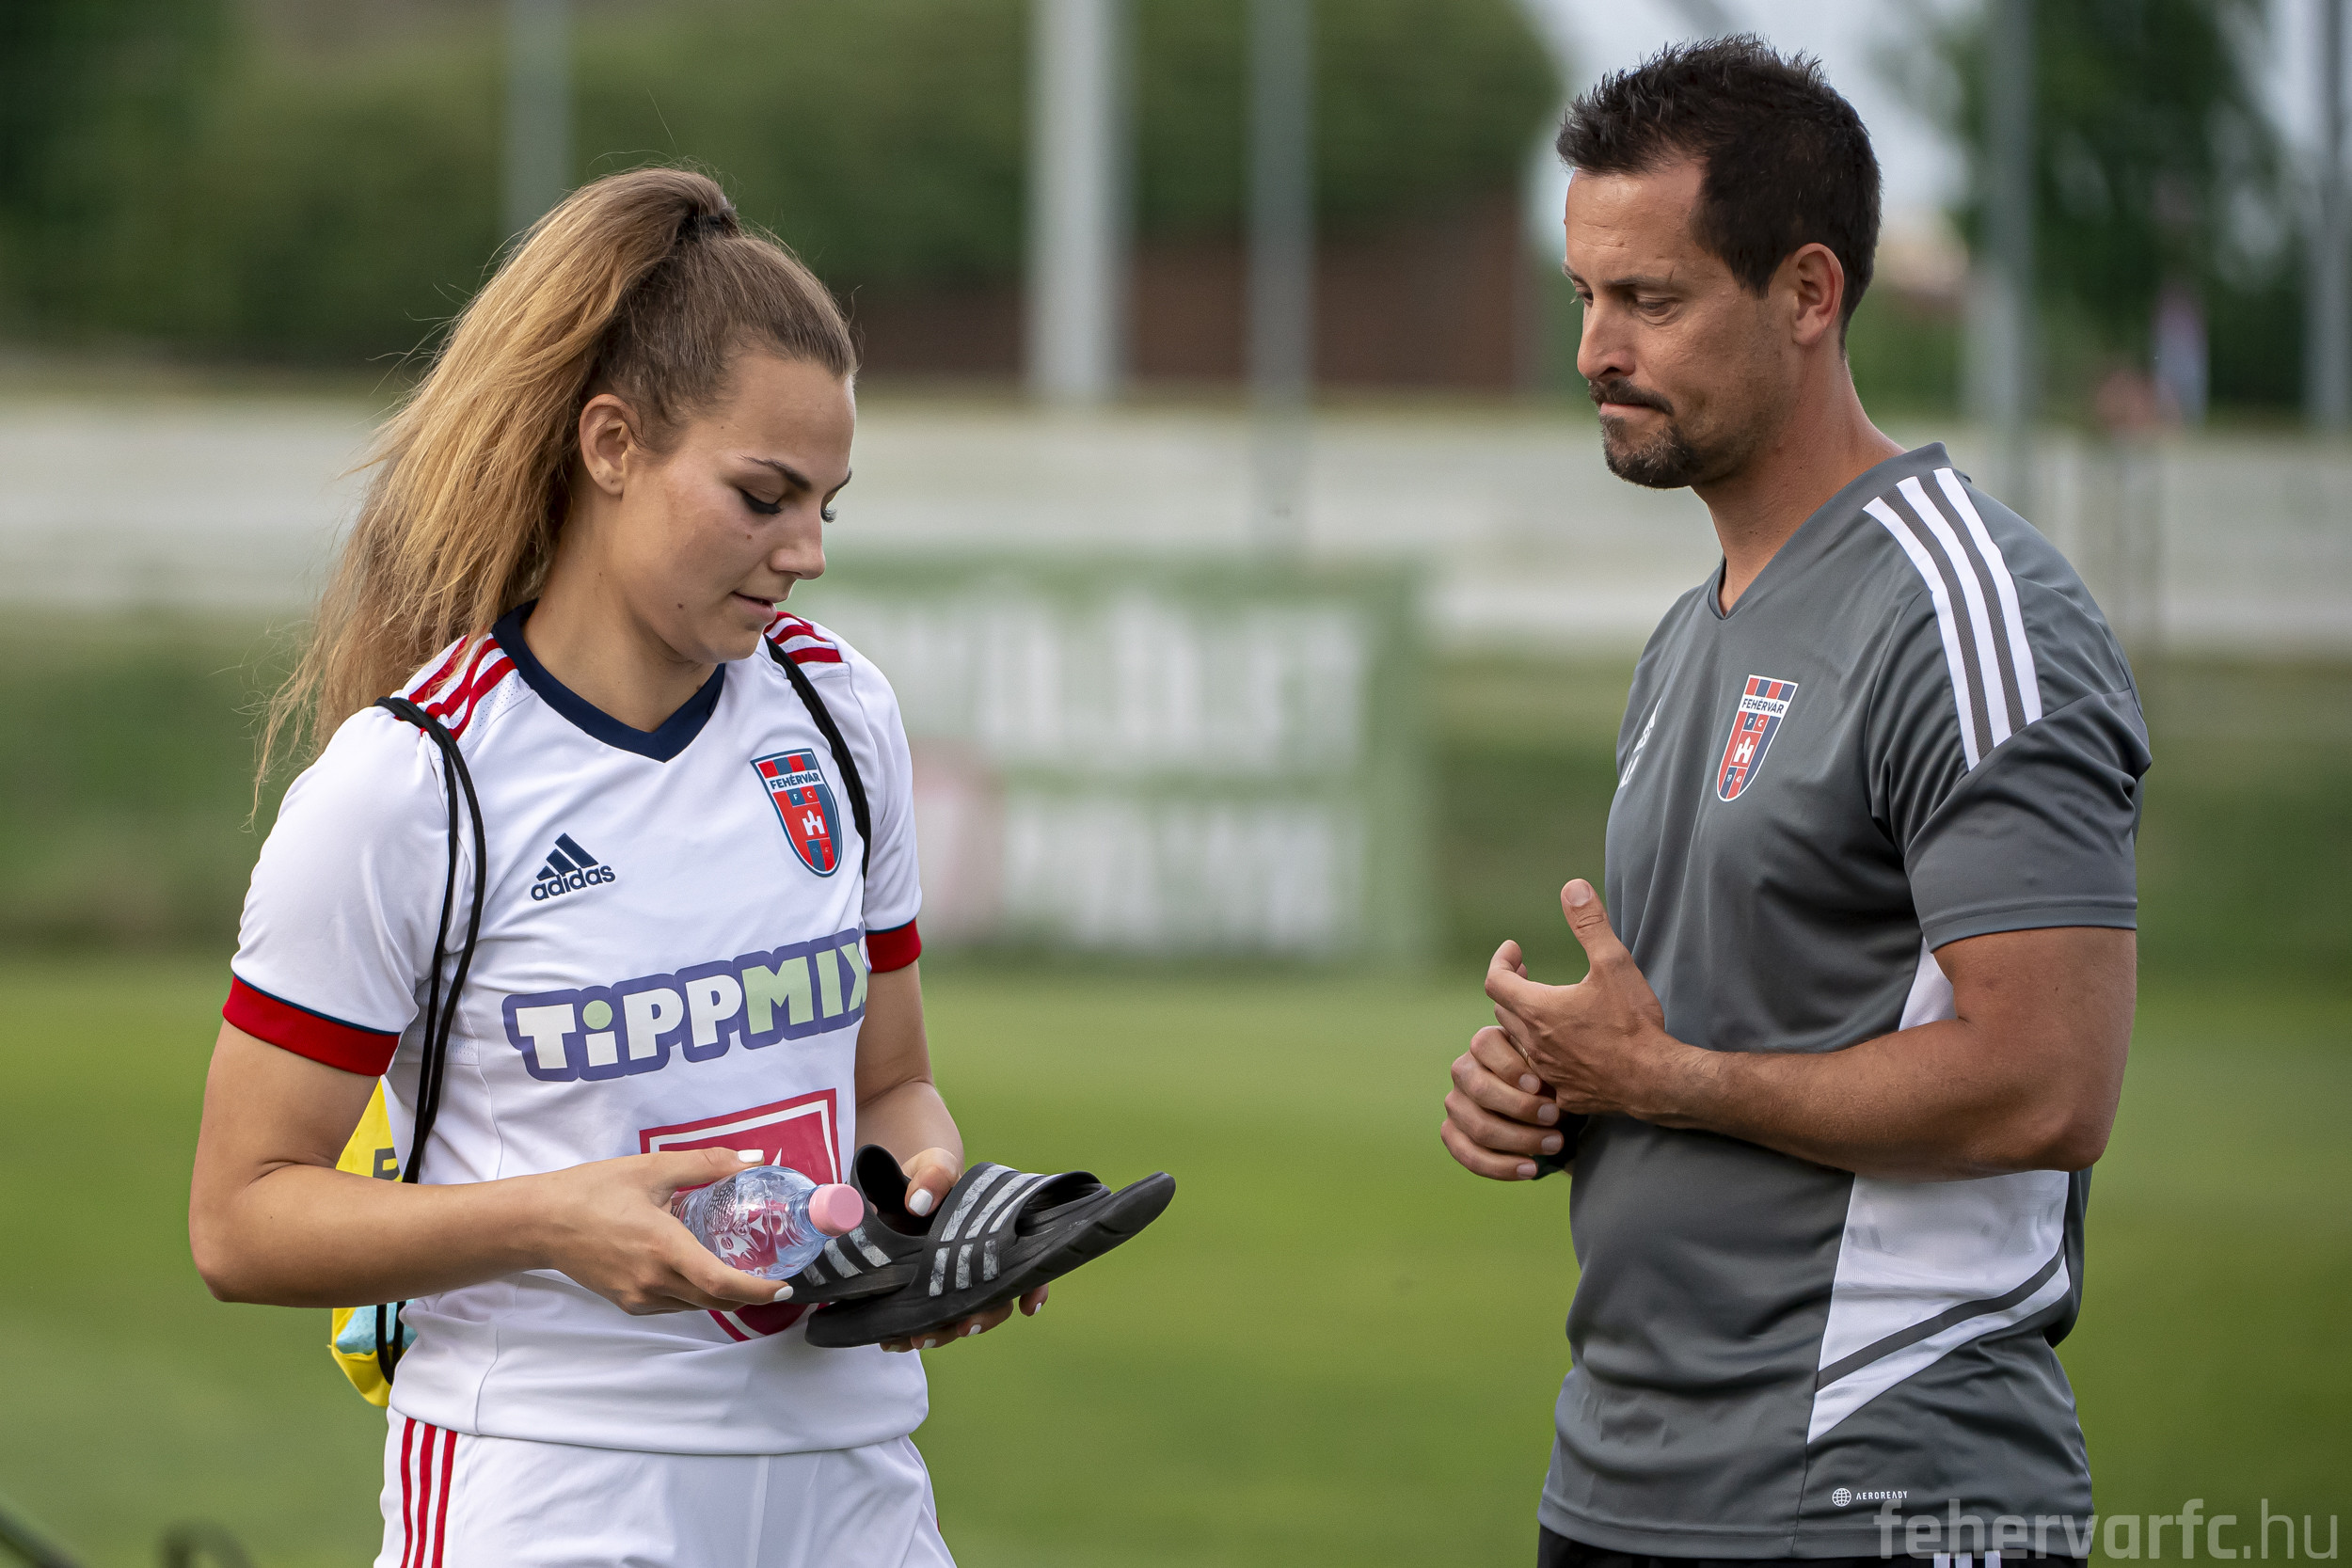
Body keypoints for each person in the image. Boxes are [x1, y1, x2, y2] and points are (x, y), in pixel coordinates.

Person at [188, 166, 1040, 1568]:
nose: (807, 552)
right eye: (763, 497)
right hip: (554, 1486)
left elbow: (890, 1083)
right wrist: (555, 1223)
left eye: (827, 505)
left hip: (852, 1477)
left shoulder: (841, 715)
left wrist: (924, 1209)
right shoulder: (414, 784)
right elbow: (241, 1220)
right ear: (611, 444)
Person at [1437, 40, 2150, 1568]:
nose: (1595, 351)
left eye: (1651, 299)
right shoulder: (1686, 636)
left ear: (1809, 293)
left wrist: (1664, 1079)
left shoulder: (1969, 610)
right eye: (1584, 296)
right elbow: (1714, 1026)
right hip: (1623, 1481)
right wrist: (1557, 1088)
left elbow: (2048, 1087)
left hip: (1874, 1483)